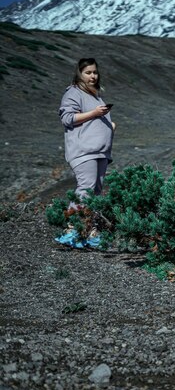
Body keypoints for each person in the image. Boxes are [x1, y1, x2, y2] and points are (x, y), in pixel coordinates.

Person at [55, 58, 115, 248]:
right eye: (88, 72)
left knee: (96, 191)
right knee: (86, 188)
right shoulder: (73, 92)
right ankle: (72, 229)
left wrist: (109, 126)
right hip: (84, 151)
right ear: (79, 73)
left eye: (95, 72)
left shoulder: (96, 95)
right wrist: (95, 114)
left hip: (100, 152)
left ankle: (91, 232)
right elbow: (67, 118)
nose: (93, 76)